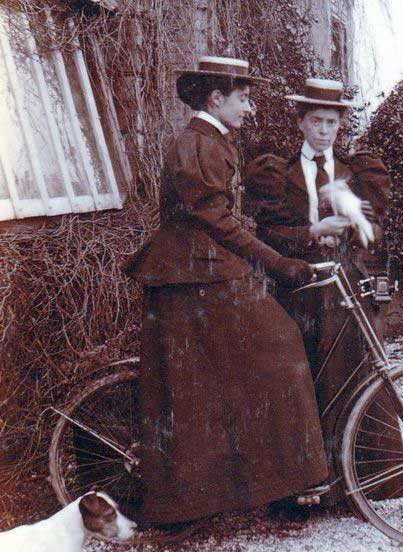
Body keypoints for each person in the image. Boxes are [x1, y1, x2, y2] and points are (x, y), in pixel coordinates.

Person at [122, 57, 335, 524]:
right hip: (194, 275)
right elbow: (214, 220)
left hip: (204, 272)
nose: (251, 108)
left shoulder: (208, 141)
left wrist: (282, 244)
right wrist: (277, 263)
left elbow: (225, 218)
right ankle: (284, 486)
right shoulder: (196, 144)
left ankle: (258, 486)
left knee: (221, 380)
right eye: (244, 98)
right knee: (280, 345)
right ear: (216, 98)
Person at [245, 78, 403, 505]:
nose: (323, 130)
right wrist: (310, 233)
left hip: (345, 287)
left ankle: (354, 486)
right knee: (300, 380)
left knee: (352, 376)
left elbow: (375, 232)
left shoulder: (358, 174)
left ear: (340, 127)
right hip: (297, 288)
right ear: (301, 123)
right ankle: (299, 488)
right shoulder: (276, 172)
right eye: (315, 121)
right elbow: (266, 233)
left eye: (331, 123)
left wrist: (355, 225)